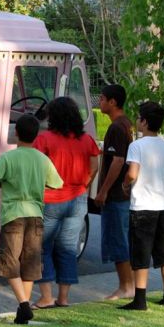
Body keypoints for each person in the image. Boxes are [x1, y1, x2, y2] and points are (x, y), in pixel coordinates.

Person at [0, 114, 63, 324]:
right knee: (29, 264)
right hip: (35, 215)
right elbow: (57, 183)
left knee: (10, 262)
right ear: (37, 136)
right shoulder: (42, 159)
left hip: (14, 216)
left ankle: (25, 306)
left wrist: (4, 184)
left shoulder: (9, 158)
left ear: (16, 133)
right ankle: (22, 311)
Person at [31, 97, 100, 309]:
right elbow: (95, 166)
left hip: (51, 199)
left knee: (42, 248)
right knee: (68, 249)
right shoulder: (87, 140)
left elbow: (35, 169)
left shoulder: (44, 140)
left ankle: (45, 297)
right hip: (78, 199)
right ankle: (63, 297)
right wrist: (83, 185)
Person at [120, 101, 164, 310]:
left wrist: (126, 184)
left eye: (138, 118)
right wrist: (158, 179)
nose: (136, 121)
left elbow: (132, 173)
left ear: (144, 122)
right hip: (162, 205)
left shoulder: (136, 146)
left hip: (142, 206)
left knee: (141, 252)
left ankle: (140, 299)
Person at [94, 84, 135, 300]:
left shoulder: (117, 127)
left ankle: (126, 287)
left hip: (117, 195)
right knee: (122, 239)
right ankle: (130, 285)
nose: (99, 102)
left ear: (113, 102)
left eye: (102, 98)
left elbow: (118, 161)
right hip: (124, 194)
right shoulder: (127, 124)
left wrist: (103, 191)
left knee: (118, 240)